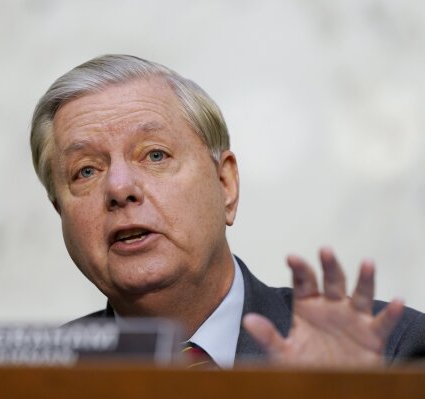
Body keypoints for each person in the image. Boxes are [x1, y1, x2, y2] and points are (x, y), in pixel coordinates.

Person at [29, 54, 425, 368]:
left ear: (226, 186)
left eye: (154, 154)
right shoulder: (30, 375)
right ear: (60, 211)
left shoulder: (388, 354)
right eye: (86, 171)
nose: (119, 188)